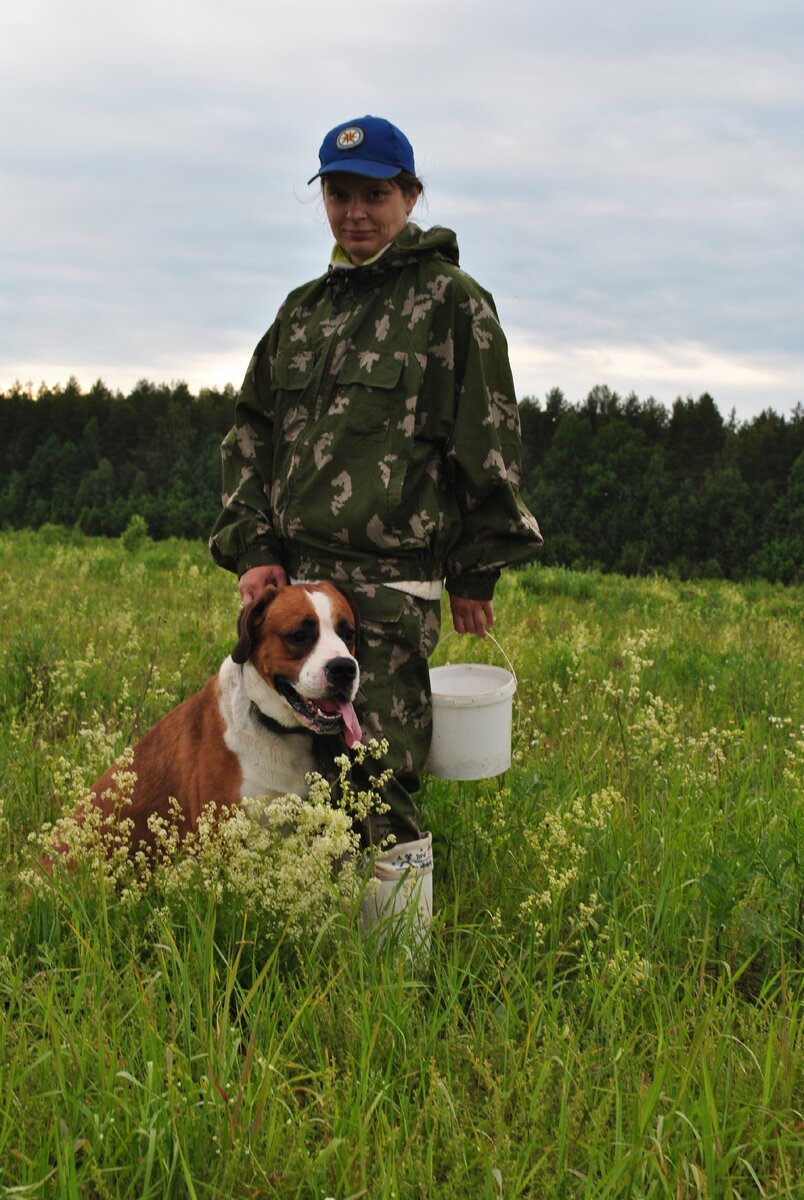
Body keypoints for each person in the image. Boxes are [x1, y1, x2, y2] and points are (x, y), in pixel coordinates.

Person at [210, 115, 542, 937]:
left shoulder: (452, 306)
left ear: (411, 196)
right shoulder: (302, 313)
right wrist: (255, 550)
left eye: (375, 195)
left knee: (373, 772)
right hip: (295, 589)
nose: (355, 212)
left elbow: (489, 437)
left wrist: (475, 570)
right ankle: (304, 939)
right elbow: (251, 430)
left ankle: (397, 976)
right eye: (339, 194)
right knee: (284, 767)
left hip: (388, 590)